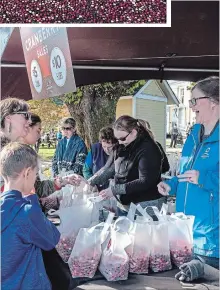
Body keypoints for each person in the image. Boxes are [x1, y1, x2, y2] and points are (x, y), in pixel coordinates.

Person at [158, 76, 219, 280]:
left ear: (213, 101)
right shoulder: (193, 133)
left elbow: (201, 176)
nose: (191, 106)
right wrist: (172, 185)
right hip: (186, 235)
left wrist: (204, 178)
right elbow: (187, 171)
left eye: (194, 101)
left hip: (211, 240)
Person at [0, 142, 60, 290]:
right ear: (27, 173)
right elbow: (51, 239)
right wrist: (32, 199)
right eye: (36, 173)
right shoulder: (26, 212)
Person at [90, 115, 166, 214]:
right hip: (125, 203)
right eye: (117, 139)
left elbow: (145, 181)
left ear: (134, 132)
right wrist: (94, 181)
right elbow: (113, 168)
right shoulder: (125, 144)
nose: (119, 142)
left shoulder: (148, 149)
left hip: (145, 205)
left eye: (122, 138)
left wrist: (115, 190)